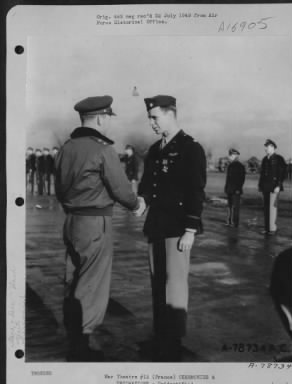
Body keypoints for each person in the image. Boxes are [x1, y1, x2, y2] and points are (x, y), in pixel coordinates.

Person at [54, 95, 145, 361]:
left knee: (73, 280)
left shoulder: (66, 148)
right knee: (92, 283)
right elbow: (120, 189)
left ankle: (75, 337)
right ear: (101, 118)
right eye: (108, 119)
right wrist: (136, 204)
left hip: (71, 221)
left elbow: (59, 188)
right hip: (96, 223)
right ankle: (81, 346)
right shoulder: (102, 149)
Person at [137, 95, 207, 361]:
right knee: (157, 283)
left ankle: (173, 341)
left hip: (178, 227)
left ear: (170, 114)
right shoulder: (155, 150)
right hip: (155, 225)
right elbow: (147, 186)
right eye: (149, 118)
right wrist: (141, 201)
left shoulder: (191, 148)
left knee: (175, 284)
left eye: (155, 117)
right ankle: (161, 335)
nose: (151, 123)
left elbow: (195, 190)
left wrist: (191, 229)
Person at [258, 139, 286, 235]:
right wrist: (260, 185)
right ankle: (267, 228)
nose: (266, 149)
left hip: (274, 187)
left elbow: (282, 173)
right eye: (265, 147)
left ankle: (272, 228)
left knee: (272, 208)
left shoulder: (279, 159)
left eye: (268, 147)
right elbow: (262, 174)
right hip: (265, 187)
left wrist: (278, 185)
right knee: (266, 208)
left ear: (273, 147)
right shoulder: (265, 159)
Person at [224, 148, 246, 228]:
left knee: (235, 207)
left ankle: (234, 222)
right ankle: (229, 221)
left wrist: (238, 189)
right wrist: (226, 188)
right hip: (230, 189)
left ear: (236, 156)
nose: (230, 157)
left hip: (236, 190)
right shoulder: (230, 165)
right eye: (230, 155)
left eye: (231, 155)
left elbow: (241, 179)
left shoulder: (240, 166)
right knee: (229, 206)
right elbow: (228, 179)